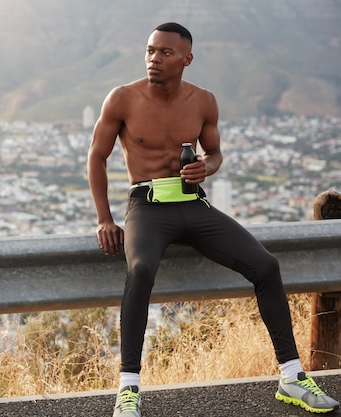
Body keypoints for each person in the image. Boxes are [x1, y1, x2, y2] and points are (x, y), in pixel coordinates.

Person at [87, 22, 339, 417]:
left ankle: (291, 376)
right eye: (151, 50)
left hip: (193, 204)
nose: (155, 58)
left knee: (266, 266)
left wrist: (208, 167)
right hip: (147, 206)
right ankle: (128, 390)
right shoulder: (122, 98)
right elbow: (96, 157)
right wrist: (104, 219)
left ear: (186, 59)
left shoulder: (204, 101)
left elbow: (216, 152)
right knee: (141, 270)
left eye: (165, 53)